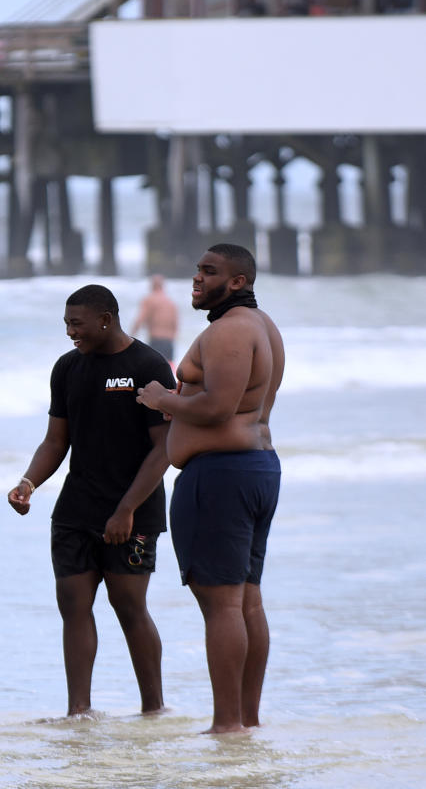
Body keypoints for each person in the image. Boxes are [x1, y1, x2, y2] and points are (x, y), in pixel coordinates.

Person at [136, 244, 284, 734]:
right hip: (256, 469)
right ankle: (247, 719)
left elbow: (219, 407)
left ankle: (226, 725)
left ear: (237, 282)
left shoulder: (229, 331)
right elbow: (232, 401)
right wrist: (184, 402)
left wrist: (163, 399)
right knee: (247, 600)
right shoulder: (263, 327)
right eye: (197, 268)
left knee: (222, 603)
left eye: (209, 271)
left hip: (221, 476)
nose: (196, 278)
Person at [7, 284, 174, 718]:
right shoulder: (66, 368)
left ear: (106, 318)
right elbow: (55, 440)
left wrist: (126, 510)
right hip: (75, 510)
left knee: (129, 606)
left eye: (76, 324)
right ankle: (78, 712)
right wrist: (28, 482)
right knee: (73, 606)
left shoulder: (147, 365)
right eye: (65, 323)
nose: (69, 332)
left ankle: (154, 709)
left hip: (133, 510)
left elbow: (164, 448)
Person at [130, 274, 179, 365]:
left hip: (156, 341)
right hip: (169, 343)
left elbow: (139, 320)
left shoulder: (150, 299)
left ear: (152, 285)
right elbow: (176, 324)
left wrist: (130, 338)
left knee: (154, 372)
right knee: (168, 372)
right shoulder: (171, 302)